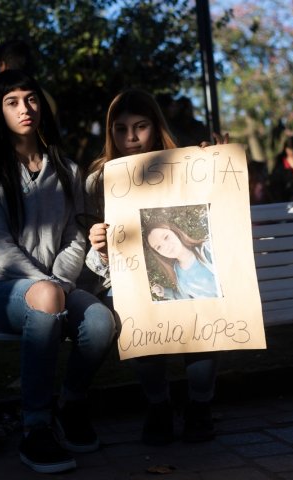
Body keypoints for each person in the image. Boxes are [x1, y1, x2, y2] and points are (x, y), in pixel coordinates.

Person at [0, 70, 116, 474]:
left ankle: (70, 405)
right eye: (11, 101)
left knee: (103, 322)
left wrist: (61, 283)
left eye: (30, 99)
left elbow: (75, 237)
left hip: (57, 288)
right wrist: (47, 285)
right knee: (48, 297)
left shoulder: (66, 168)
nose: (24, 109)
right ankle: (35, 426)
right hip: (1, 293)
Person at [85, 88, 225, 446]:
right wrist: (99, 248)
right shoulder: (100, 179)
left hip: (188, 275)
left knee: (202, 313)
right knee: (136, 315)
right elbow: (92, 259)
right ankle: (159, 407)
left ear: (155, 126)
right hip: (130, 278)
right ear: (110, 132)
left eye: (141, 126)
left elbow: (222, 219)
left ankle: (199, 406)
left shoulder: (187, 166)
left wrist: (217, 166)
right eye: (120, 129)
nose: (131, 137)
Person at [144, 220, 220, 300]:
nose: (166, 246)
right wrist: (165, 292)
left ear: (175, 232)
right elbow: (188, 298)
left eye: (166, 237)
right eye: (159, 247)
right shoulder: (176, 271)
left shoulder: (208, 249)